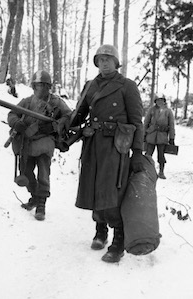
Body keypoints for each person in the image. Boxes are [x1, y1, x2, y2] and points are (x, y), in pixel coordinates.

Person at [70, 44, 144, 263]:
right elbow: (78, 114)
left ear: (116, 62)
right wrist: (71, 126)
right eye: (100, 59)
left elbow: (137, 121)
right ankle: (100, 231)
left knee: (112, 190)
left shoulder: (127, 86)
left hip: (116, 145)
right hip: (92, 143)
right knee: (94, 187)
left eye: (108, 59)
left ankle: (118, 241)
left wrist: (138, 152)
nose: (104, 63)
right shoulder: (90, 86)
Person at [7, 70, 72, 221]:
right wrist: (17, 123)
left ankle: (41, 204)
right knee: (25, 172)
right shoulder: (27, 102)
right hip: (27, 143)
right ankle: (34, 196)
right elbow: (12, 114)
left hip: (45, 142)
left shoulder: (56, 103)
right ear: (33, 86)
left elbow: (68, 115)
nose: (40, 89)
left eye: (44, 86)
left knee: (43, 174)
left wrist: (56, 125)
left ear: (49, 87)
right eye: (37, 86)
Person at [144, 94, 175, 179]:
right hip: (151, 135)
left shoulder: (168, 111)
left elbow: (171, 125)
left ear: (164, 101)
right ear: (155, 101)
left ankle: (161, 172)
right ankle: (145, 172)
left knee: (161, 155)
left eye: (161, 100)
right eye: (158, 100)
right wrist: (143, 135)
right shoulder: (151, 110)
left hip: (162, 136)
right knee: (148, 155)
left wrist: (171, 138)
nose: (160, 102)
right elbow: (146, 122)